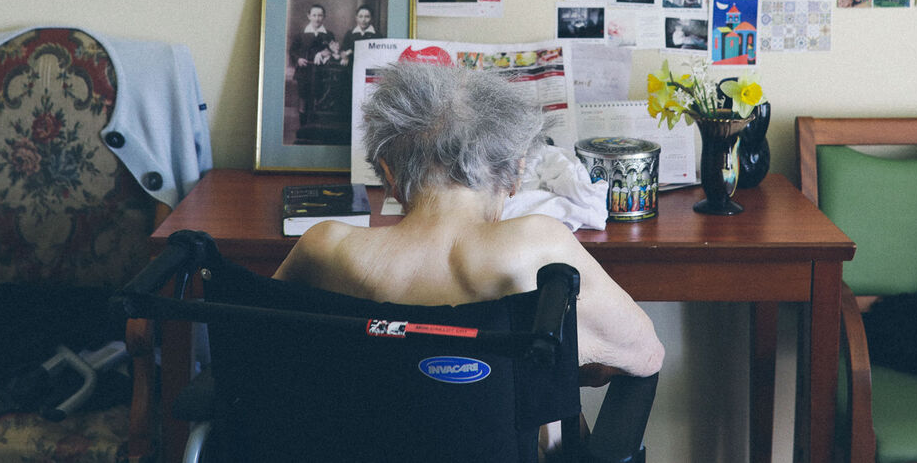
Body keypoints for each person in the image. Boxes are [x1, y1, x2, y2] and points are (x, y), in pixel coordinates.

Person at [274, 62, 663, 454]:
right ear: (516, 173)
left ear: (389, 174)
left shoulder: (324, 247)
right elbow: (646, 354)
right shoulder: (538, 244)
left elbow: (260, 352)